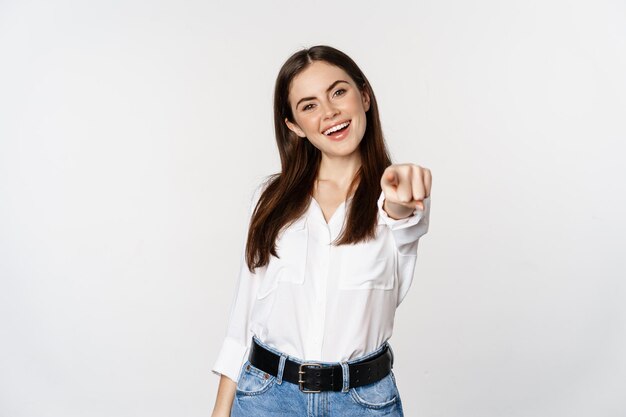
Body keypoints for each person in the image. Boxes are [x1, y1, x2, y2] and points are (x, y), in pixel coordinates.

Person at [210, 45, 432, 417]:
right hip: (266, 397)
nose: (329, 112)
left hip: (363, 403)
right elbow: (243, 314)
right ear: (294, 126)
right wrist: (220, 411)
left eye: (338, 92)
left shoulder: (392, 199)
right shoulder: (271, 199)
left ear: (363, 96)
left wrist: (402, 195)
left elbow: (402, 218)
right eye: (308, 105)